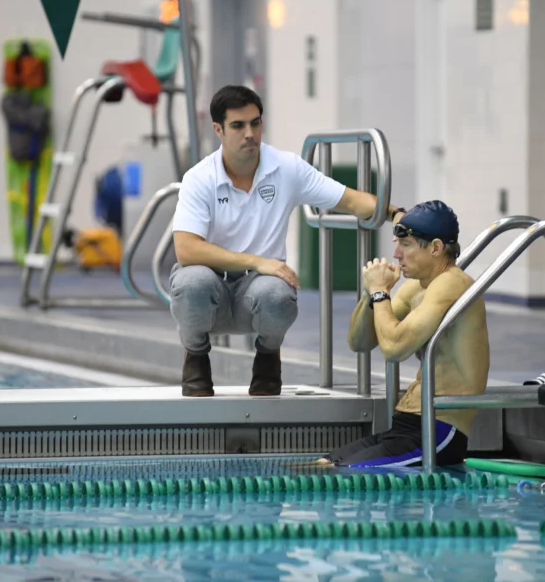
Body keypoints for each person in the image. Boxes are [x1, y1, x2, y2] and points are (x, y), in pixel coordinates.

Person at [170, 85, 399, 397]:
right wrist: (257, 261)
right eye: (238, 126)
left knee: (278, 292)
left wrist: (398, 214)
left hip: (259, 292)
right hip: (213, 291)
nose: (250, 133)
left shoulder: (286, 168)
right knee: (191, 281)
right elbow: (186, 249)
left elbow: (351, 200)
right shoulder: (200, 178)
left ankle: (268, 356)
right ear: (218, 130)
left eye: (255, 123)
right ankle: (195, 356)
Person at [315, 200, 490, 467]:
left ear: (435, 248)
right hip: (406, 426)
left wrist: (380, 293)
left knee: (347, 475)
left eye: (406, 245)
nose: (396, 254)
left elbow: (394, 348)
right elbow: (360, 341)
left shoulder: (452, 284)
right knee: (324, 465)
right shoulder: (418, 288)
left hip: (438, 432)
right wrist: (370, 293)